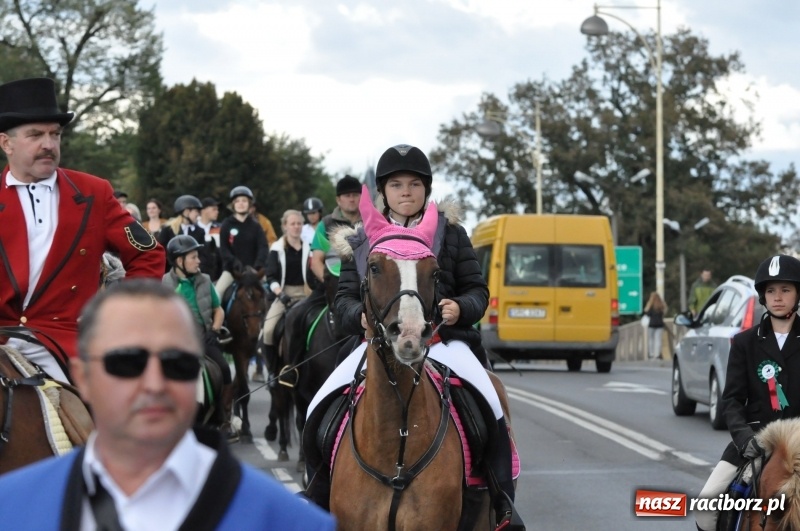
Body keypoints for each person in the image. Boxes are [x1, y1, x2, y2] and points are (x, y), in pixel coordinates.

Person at [0, 280, 336, 530]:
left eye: (177, 363)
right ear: (83, 377)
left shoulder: (294, 524)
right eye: (127, 362)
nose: (154, 384)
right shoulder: (9, 508)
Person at [306, 145, 522, 530]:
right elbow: (344, 299)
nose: (406, 191)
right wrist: (358, 317)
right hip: (377, 344)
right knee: (319, 406)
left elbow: (477, 290)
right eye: (396, 184)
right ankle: (317, 492)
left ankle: (500, 500)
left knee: (490, 401)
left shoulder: (451, 234)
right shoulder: (362, 239)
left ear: (426, 189)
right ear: (383, 192)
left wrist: (460, 307)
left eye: (414, 184)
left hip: (442, 342)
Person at [0, 77, 165, 383]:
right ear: (6, 143)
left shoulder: (93, 193)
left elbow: (148, 254)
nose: (49, 144)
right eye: (35, 135)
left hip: (65, 341)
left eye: (55, 134)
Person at [695, 255, 800, 530]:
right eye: (771, 290)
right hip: (754, 442)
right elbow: (731, 400)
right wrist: (744, 440)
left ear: (798, 294)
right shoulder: (744, 343)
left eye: (785, 289)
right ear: (763, 296)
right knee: (705, 512)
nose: (778, 297)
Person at [162, 235, 237, 442]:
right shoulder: (165, 284)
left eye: (197, 256)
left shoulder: (205, 280)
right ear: (179, 261)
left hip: (204, 340)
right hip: (177, 343)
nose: (198, 261)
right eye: (193, 257)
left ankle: (225, 419)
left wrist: (214, 329)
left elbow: (218, 310)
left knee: (224, 369)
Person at [262, 210, 312, 384]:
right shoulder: (276, 249)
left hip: (307, 294)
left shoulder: (309, 247)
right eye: (292, 224)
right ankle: (272, 371)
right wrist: (279, 293)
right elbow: (271, 276)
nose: (296, 227)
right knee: (268, 331)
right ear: (285, 226)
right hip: (284, 294)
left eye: (299, 223)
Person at [215, 185, 269, 299]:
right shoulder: (226, 224)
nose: (241, 203)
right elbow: (224, 249)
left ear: (249, 204)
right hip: (232, 271)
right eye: (237, 201)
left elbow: (263, 247)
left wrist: (258, 264)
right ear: (233, 204)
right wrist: (234, 262)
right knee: (217, 293)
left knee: (269, 293)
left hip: (254, 271)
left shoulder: (256, 226)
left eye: (244, 201)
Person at [309, 175, 362, 285]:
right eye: (347, 195)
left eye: (355, 195)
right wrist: (331, 285)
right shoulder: (325, 224)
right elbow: (316, 262)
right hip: (335, 284)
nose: (352, 199)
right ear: (338, 200)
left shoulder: (371, 221)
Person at [157, 194, 210, 275]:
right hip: (171, 272)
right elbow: (161, 251)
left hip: (193, 272)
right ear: (187, 211)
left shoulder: (200, 231)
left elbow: (203, 254)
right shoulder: (168, 229)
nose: (198, 215)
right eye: (196, 211)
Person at [197, 196, 223, 282]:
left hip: (216, 272)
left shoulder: (220, 229)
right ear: (204, 210)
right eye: (214, 209)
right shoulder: (192, 228)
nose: (217, 212)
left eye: (217, 209)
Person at [643, 291, 666, 360]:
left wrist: (648, 306)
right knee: (658, 339)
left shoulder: (650, 306)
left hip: (652, 324)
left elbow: (647, 313)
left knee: (651, 340)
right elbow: (664, 313)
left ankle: (651, 354)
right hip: (660, 324)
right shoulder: (661, 306)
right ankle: (657, 354)